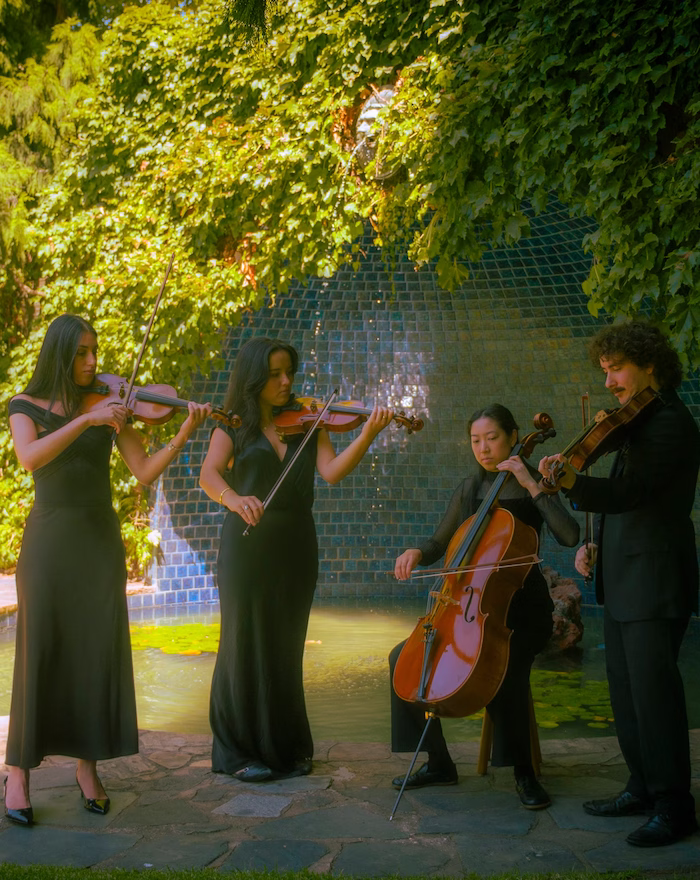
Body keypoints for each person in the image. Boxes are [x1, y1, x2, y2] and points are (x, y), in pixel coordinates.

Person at [3, 314, 211, 826]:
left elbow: (142, 470)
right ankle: (18, 774)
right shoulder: (24, 407)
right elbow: (29, 457)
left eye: (95, 352)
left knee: (94, 651)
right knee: (38, 650)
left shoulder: (110, 405)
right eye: (82, 353)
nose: (94, 363)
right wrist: (86, 421)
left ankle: (87, 768)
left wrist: (184, 430)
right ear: (60, 354)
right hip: (49, 540)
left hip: (99, 541)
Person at [199, 336, 393, 782]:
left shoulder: (311, 420)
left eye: (289, 372)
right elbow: (209, 474)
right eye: (274, 374)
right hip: (246, 545)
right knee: (242, 643)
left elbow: (331, 472)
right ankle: (237, 751)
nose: (286, 381)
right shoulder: (232, 424)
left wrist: (367, 433)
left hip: (296, 545)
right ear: (253, 378)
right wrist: (234, 498)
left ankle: (284, 747)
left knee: (286, 646)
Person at [539, 320, 700, 847]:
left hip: (655, 581)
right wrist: (595, 546)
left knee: (656, 699)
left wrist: (571, 482)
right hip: (627, 576)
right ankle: (642, 786)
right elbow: (632, 507)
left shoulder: (670, 423)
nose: (608, 382)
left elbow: (631, 493)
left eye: (616, 369)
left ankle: (675, 807)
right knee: (628, 695)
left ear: (649, 365)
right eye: (604, 371)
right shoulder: (638, 424)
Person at [390, 404, 580, 809]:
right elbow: (440, 543)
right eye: (475, 441)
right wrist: (416, 551)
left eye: (491, 438)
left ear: (513, 437)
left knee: (501, 667)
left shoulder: (530, 483)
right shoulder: (471, 486)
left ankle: (524, 773)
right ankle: (439, 762)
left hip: (522, 611)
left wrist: (531, 483)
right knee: (402, 659)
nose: (483, 448)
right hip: (471, 607)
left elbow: (568, 534)